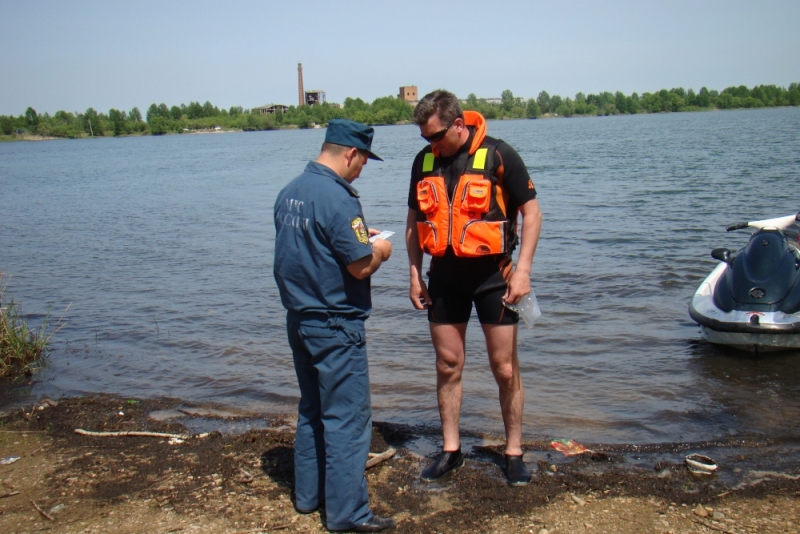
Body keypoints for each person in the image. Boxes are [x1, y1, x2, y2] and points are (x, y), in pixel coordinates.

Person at [405, 90, 542, 486]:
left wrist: (524, 271)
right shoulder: (425, 161)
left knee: (503, 368)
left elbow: (532, 213)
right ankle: (451, 451)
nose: (432, 144)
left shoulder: (499, 156)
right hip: (444, 278)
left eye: (437, 136)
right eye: (425, 138)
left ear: (459, 125)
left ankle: (513, 451)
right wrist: (414, 273)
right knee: (448, 364)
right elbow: (414, 222)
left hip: (493, 278)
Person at [273, 119, 395, 532]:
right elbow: (360, 266)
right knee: (347, 420)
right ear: (350, 154)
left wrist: (361, 240)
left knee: (311, 409)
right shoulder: (340, 199)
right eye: (363, 161)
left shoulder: (290, 191)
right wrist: (380, 250)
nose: (362, 170)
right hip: (336, 325)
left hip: (299, 320)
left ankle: (309, 497)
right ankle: (348, 515)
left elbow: (311, 250)